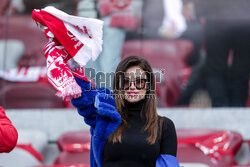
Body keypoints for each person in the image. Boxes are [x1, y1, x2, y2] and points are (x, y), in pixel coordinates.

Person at [71, 56, 179, 167]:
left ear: (148, 85)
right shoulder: (105, 116)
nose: (132, 87)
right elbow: (81, 95)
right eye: (126, 82)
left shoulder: (164, 126)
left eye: (139, 81)